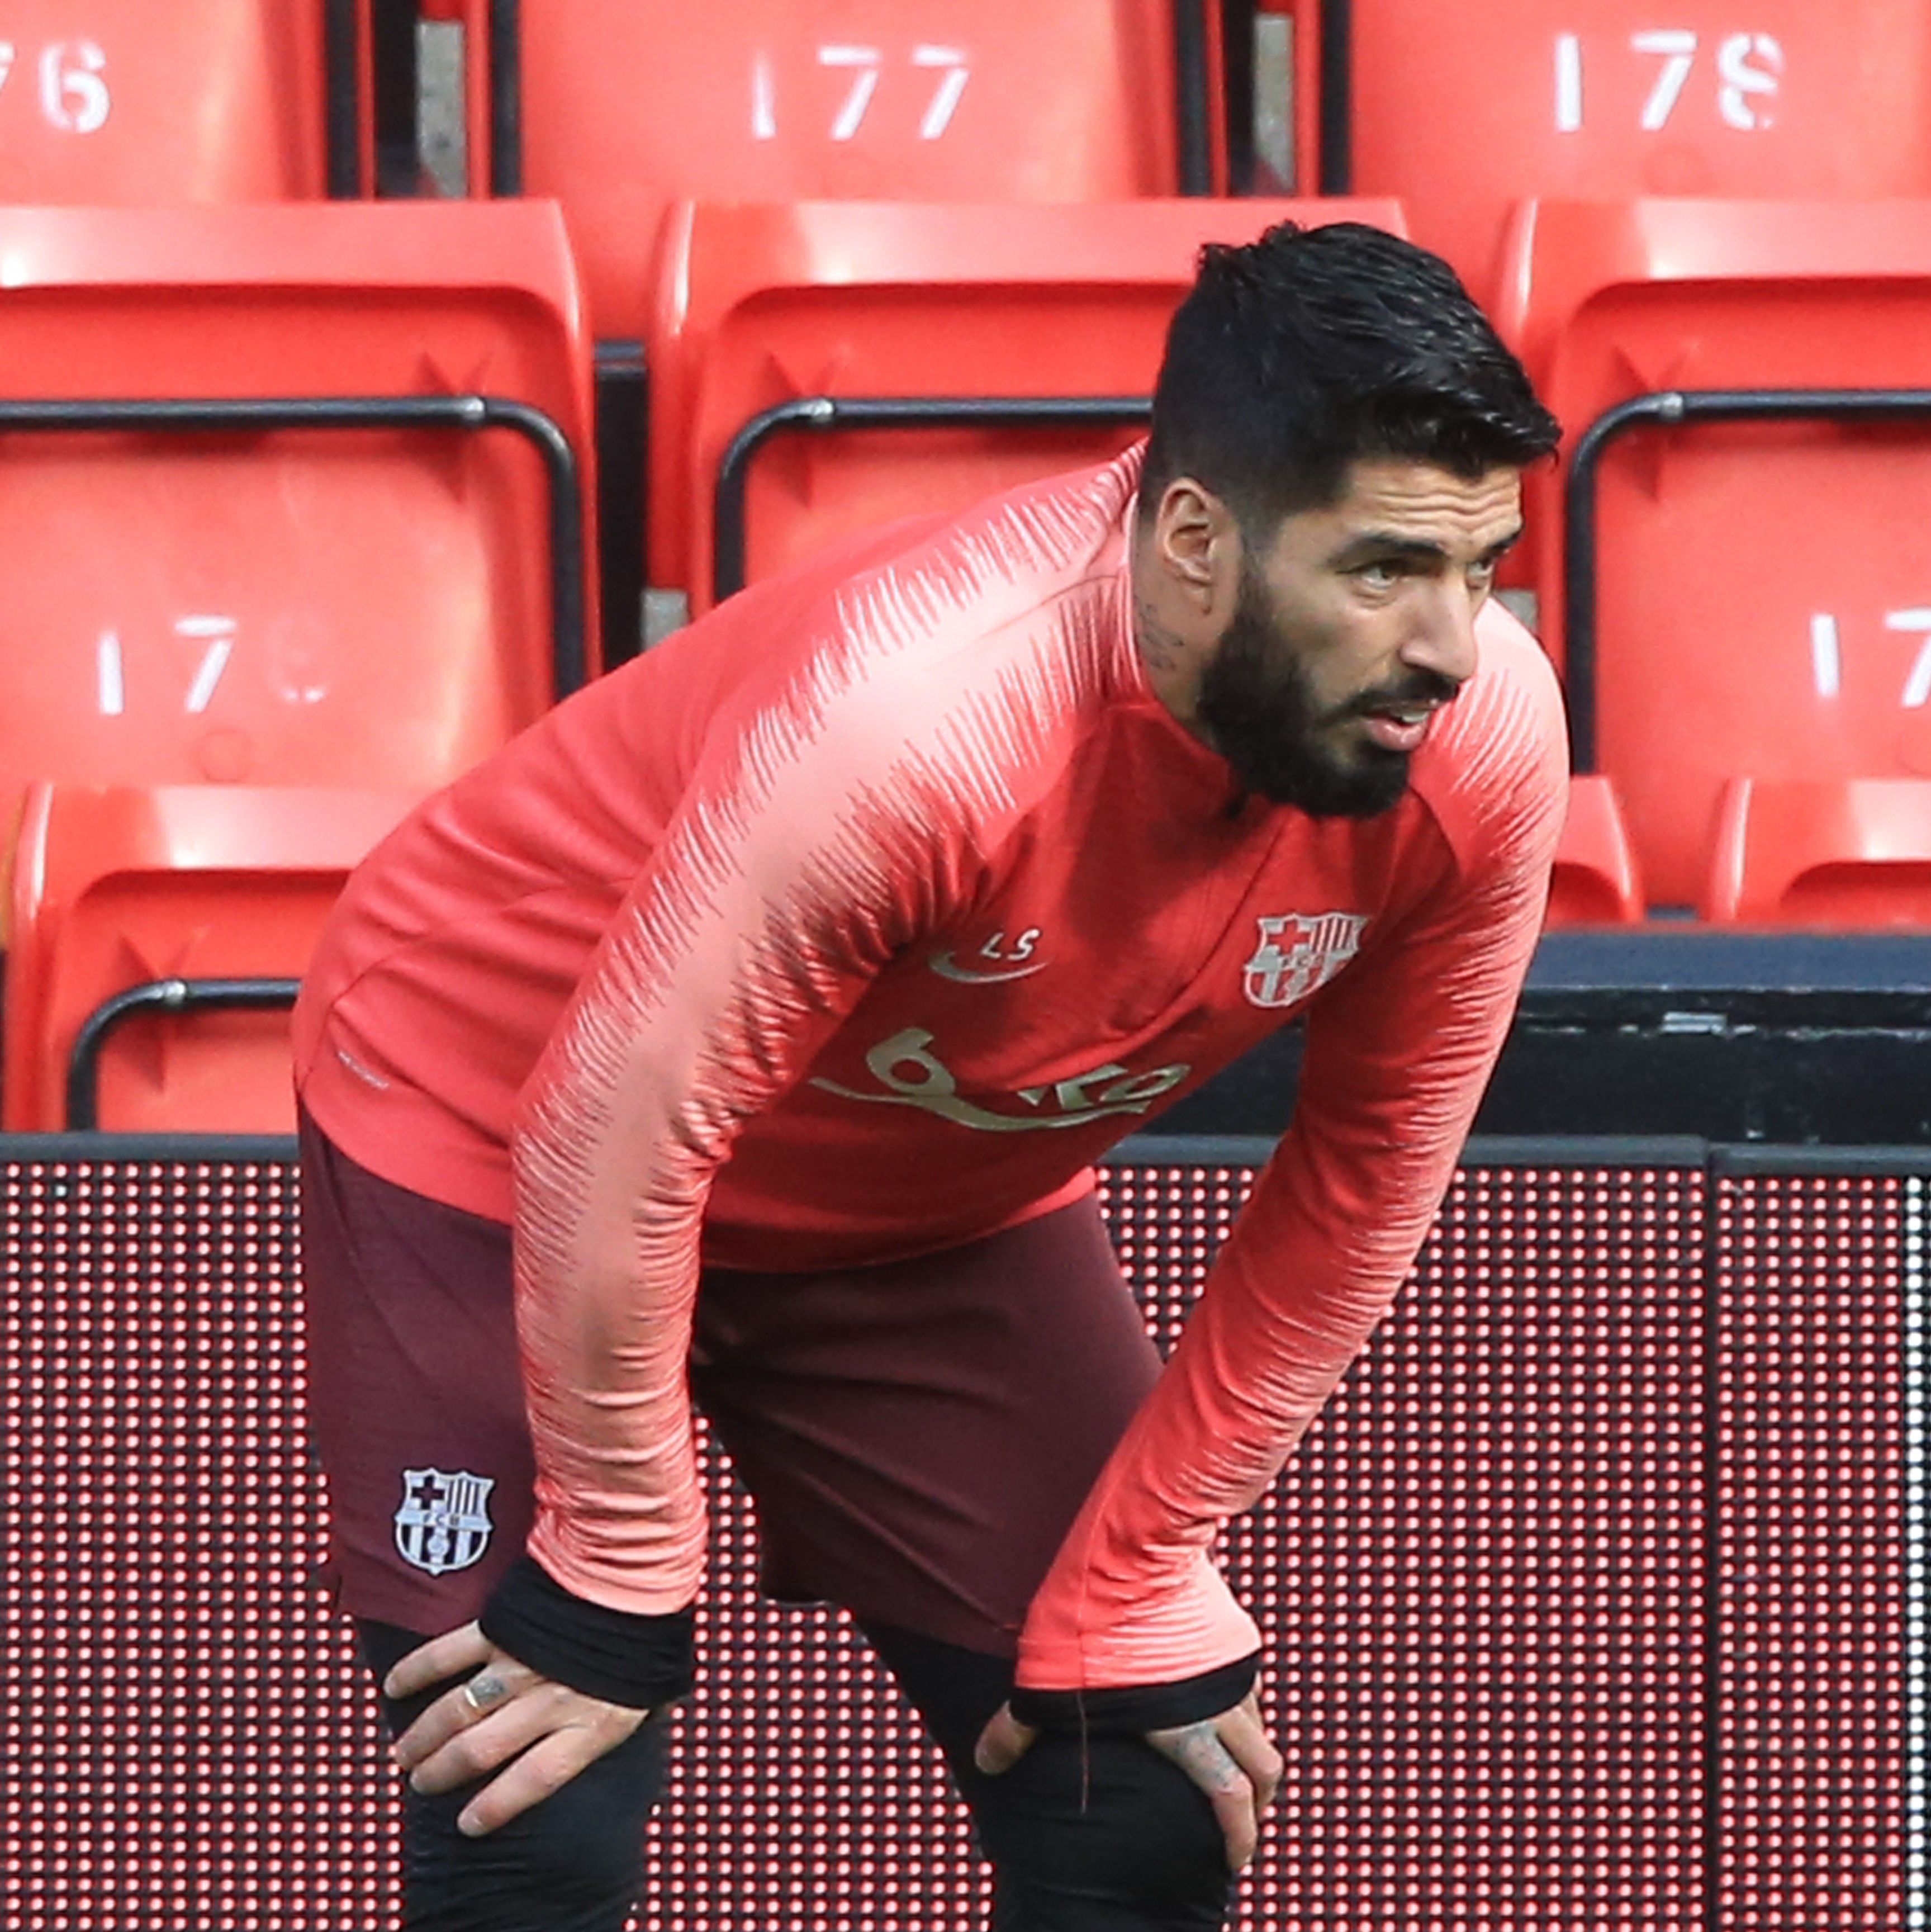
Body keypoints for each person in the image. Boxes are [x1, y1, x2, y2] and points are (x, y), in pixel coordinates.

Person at [288, 220, 1567, 1930]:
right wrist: (614, 1557)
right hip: (494, 1121)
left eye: (1482, 569)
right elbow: (619, 1128)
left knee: (1141, 1794)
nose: (1450, 644)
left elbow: (1364, 1190)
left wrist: (1146, 1562)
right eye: (1384, 569)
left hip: (911, 1202)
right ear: (1194, 538)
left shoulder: (1476, 755)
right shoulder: (922, 724)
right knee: (532, 1793)